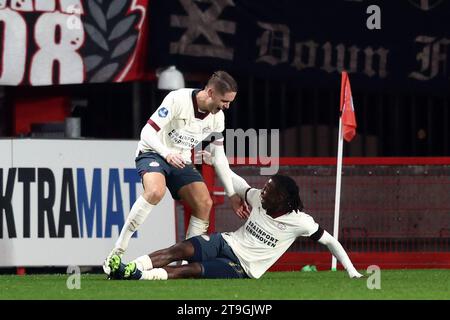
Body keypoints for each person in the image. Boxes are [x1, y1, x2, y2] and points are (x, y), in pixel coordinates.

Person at [103, 71, 249, 275]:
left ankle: (183, 267)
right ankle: (116, 253)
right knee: (155, 192)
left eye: (230, 102)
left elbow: (218, 157)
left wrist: (232, 195)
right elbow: (147, 132)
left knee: (204, 203)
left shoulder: (217, 119)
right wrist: (167, 153)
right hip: (154, 152)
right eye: (224, 101)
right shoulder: (177, 99)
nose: (227, 106)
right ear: (210, 92)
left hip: (180, 161)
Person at [107, 171, 364, 280]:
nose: (263, 192)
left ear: (283, 199)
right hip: (226, 241)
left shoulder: (301, 222)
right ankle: (130, 267)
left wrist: (352, 271)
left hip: (243, 266)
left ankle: (140, 277)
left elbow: (330, 241)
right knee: (181, 250)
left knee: (193, 270)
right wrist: (217, 160)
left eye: (269, 191)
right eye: (265, 188)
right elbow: (239, 183)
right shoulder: (259, 200)